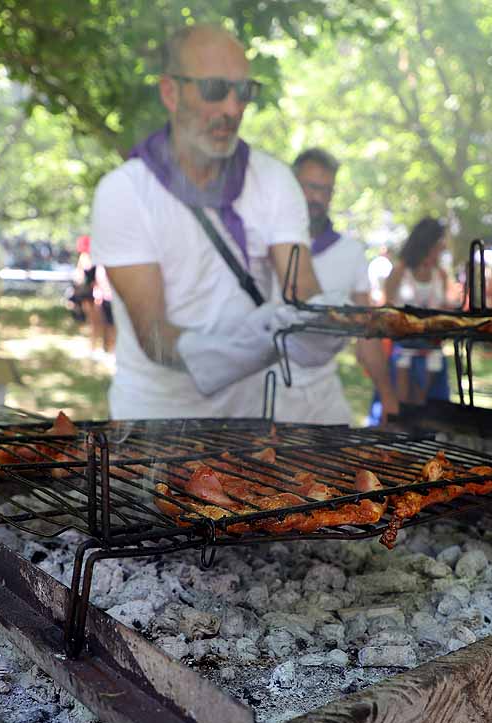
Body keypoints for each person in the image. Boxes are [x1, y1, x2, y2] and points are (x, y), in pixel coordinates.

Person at [89, 24, 328, 420]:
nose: (232, 109)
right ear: (171, 92)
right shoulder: (124, 192)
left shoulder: (273, 180)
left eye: (243, 92)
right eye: (215, 90)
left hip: (250, 422)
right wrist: (256, 343)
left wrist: (323, 323)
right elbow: (155, 338)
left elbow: (301, 292)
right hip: (153, 422)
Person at [274, 147, 398, 424]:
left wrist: (387, 394)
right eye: (310, 187)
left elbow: (366, 333)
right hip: (268, 387)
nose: (317, 197)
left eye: (326, 190)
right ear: (291, 186)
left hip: (324, 392)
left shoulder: (351, 252)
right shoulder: (265, 243)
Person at [374, 218, 452, 413]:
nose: (442, 248)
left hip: (432, 350)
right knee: (402, 409)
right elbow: (385, 312)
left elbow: (444, 310)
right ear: (427, 244)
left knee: (427, 408)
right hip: (403, 350)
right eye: (438, 244)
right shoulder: (400, 272)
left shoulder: (440, 275)